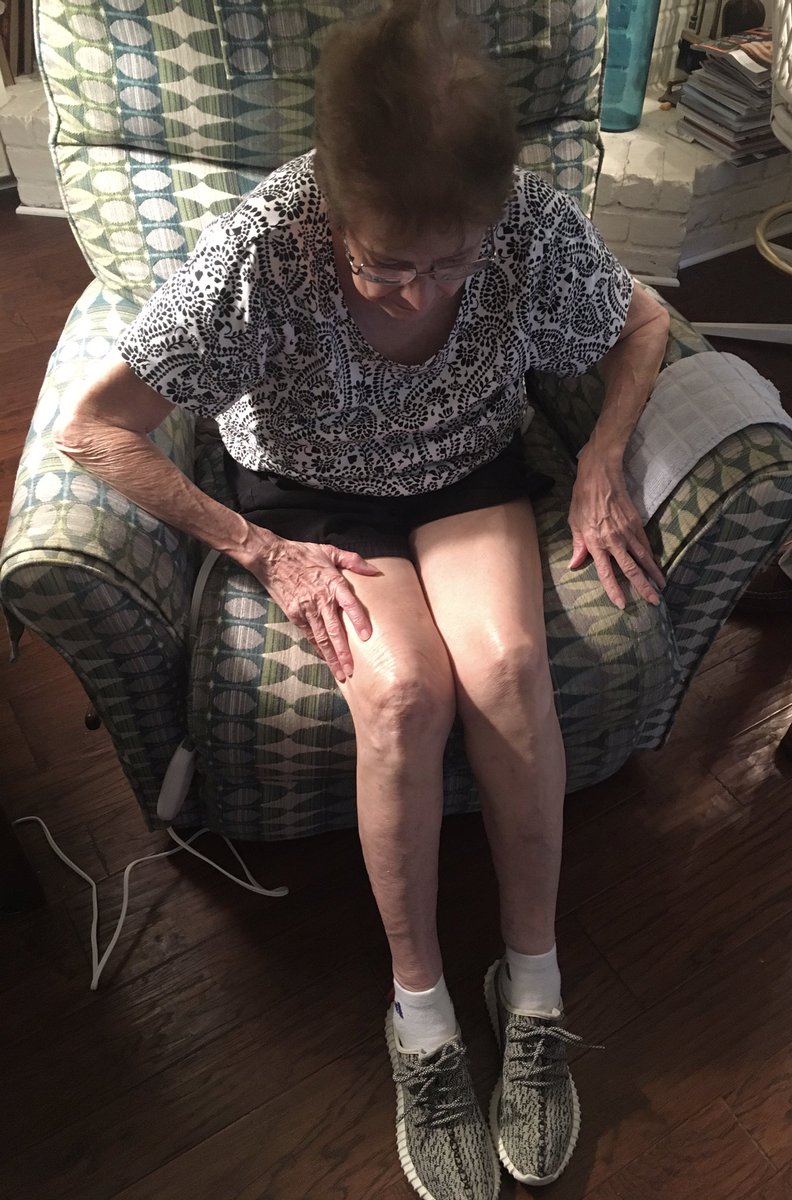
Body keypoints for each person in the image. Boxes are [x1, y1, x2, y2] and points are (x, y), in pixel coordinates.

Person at [53, 2, 670, 1196]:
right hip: (310, 492)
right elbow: (96, 430)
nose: (413, 292)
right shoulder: (263, 244)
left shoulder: (529, 222)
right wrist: (258, 550)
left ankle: (533, 987)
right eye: (385, 263)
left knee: (509, 671)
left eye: (451, 263)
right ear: (333, 208)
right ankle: (421, 1016)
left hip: (469, 471)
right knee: (400, 697)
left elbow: (639, 321)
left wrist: (602, 455)